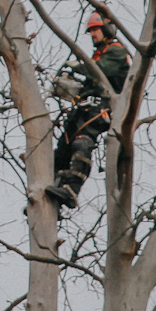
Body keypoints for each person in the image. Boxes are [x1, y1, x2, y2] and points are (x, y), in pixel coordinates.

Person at [46, 13, 128, 210]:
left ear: (107, 29)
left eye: (96, 30)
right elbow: (90, 82)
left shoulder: (116, 51)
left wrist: (79, 67)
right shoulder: (98, 54)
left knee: (82, 142)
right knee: (62, 150)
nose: (93, 34)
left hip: (101, 109)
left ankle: (72, 190)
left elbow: (99, 70)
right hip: (84, 109)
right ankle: (52, 194)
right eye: (90, 31)